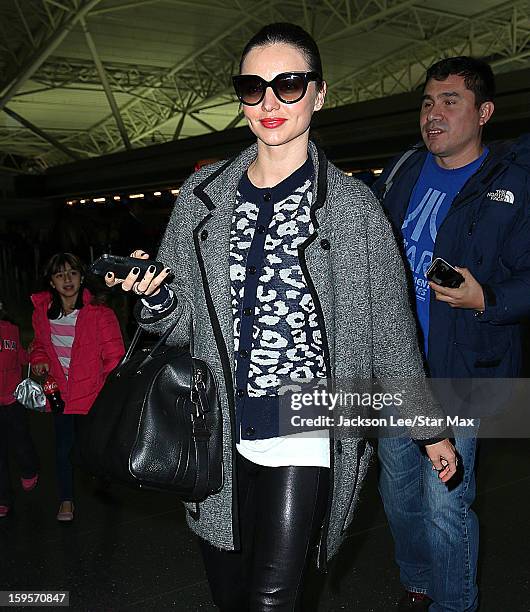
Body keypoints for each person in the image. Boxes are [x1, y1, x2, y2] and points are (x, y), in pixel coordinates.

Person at [106, 23, 456, 611]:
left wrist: (429, 429)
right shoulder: (202, 197)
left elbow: (392, 331)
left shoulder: (351, 209)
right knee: (230, 594)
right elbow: (174, 322)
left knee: (274, 600)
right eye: (253, 87)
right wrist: (155, 297)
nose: (269, 103)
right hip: (213, 424)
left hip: (306, 427)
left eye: (288, 84)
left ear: (319, 94)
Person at [373, 57, 530, 612]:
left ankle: (453, 603)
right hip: (398, 365)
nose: (433, 114)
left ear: (484, 112)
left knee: (446, 502)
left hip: (465, 364)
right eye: (427, 102)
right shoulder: (404, 170)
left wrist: (486, 297)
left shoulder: (512, 185)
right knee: (396, 491)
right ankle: (417, 581)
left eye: (450, 102)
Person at [30, 253, 124, 521]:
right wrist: (38, 360)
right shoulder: (42, 314)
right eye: (59, 275)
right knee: (63, 449)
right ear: (51, 282)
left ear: (82, 278)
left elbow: (114, 356)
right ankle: (66, 500)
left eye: (72, 273)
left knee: (94, 446)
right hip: (60, 395)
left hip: (93, 396)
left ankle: (104, 479)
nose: (67, 279)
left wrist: (108, 392)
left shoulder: (99, 314)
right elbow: (38, 344)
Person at [0, 298, 39, 518]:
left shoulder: (11, 331)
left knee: (21, 442)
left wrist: (32, 353)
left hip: (13, 401)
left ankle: (29, 468)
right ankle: (2, 497)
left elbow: (21, 357)